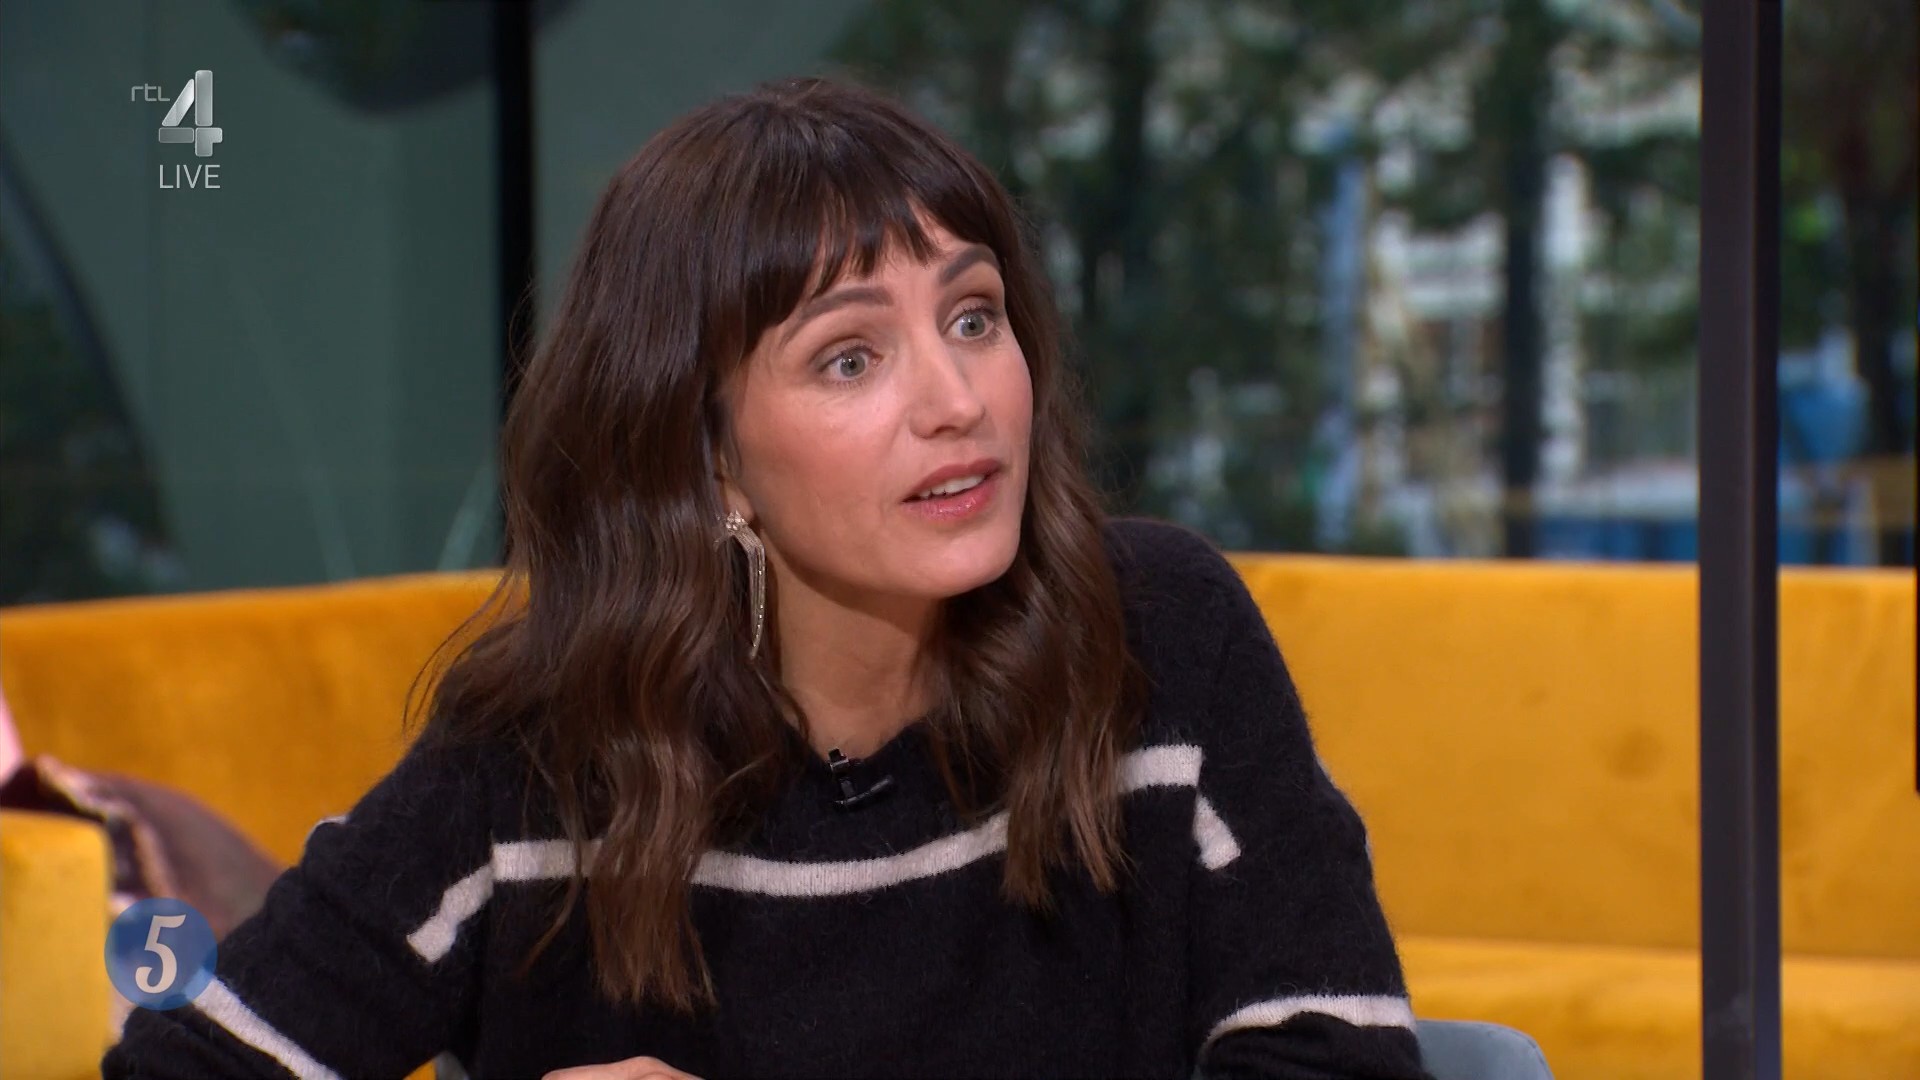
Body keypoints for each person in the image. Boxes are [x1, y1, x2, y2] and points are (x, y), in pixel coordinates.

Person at [103, 75, 1429, 1080]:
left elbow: (1339, 1061)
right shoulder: (532, 759)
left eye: (973, 317)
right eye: (852, 358)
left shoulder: (1156, 636)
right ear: (710, 460)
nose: (959, 400)